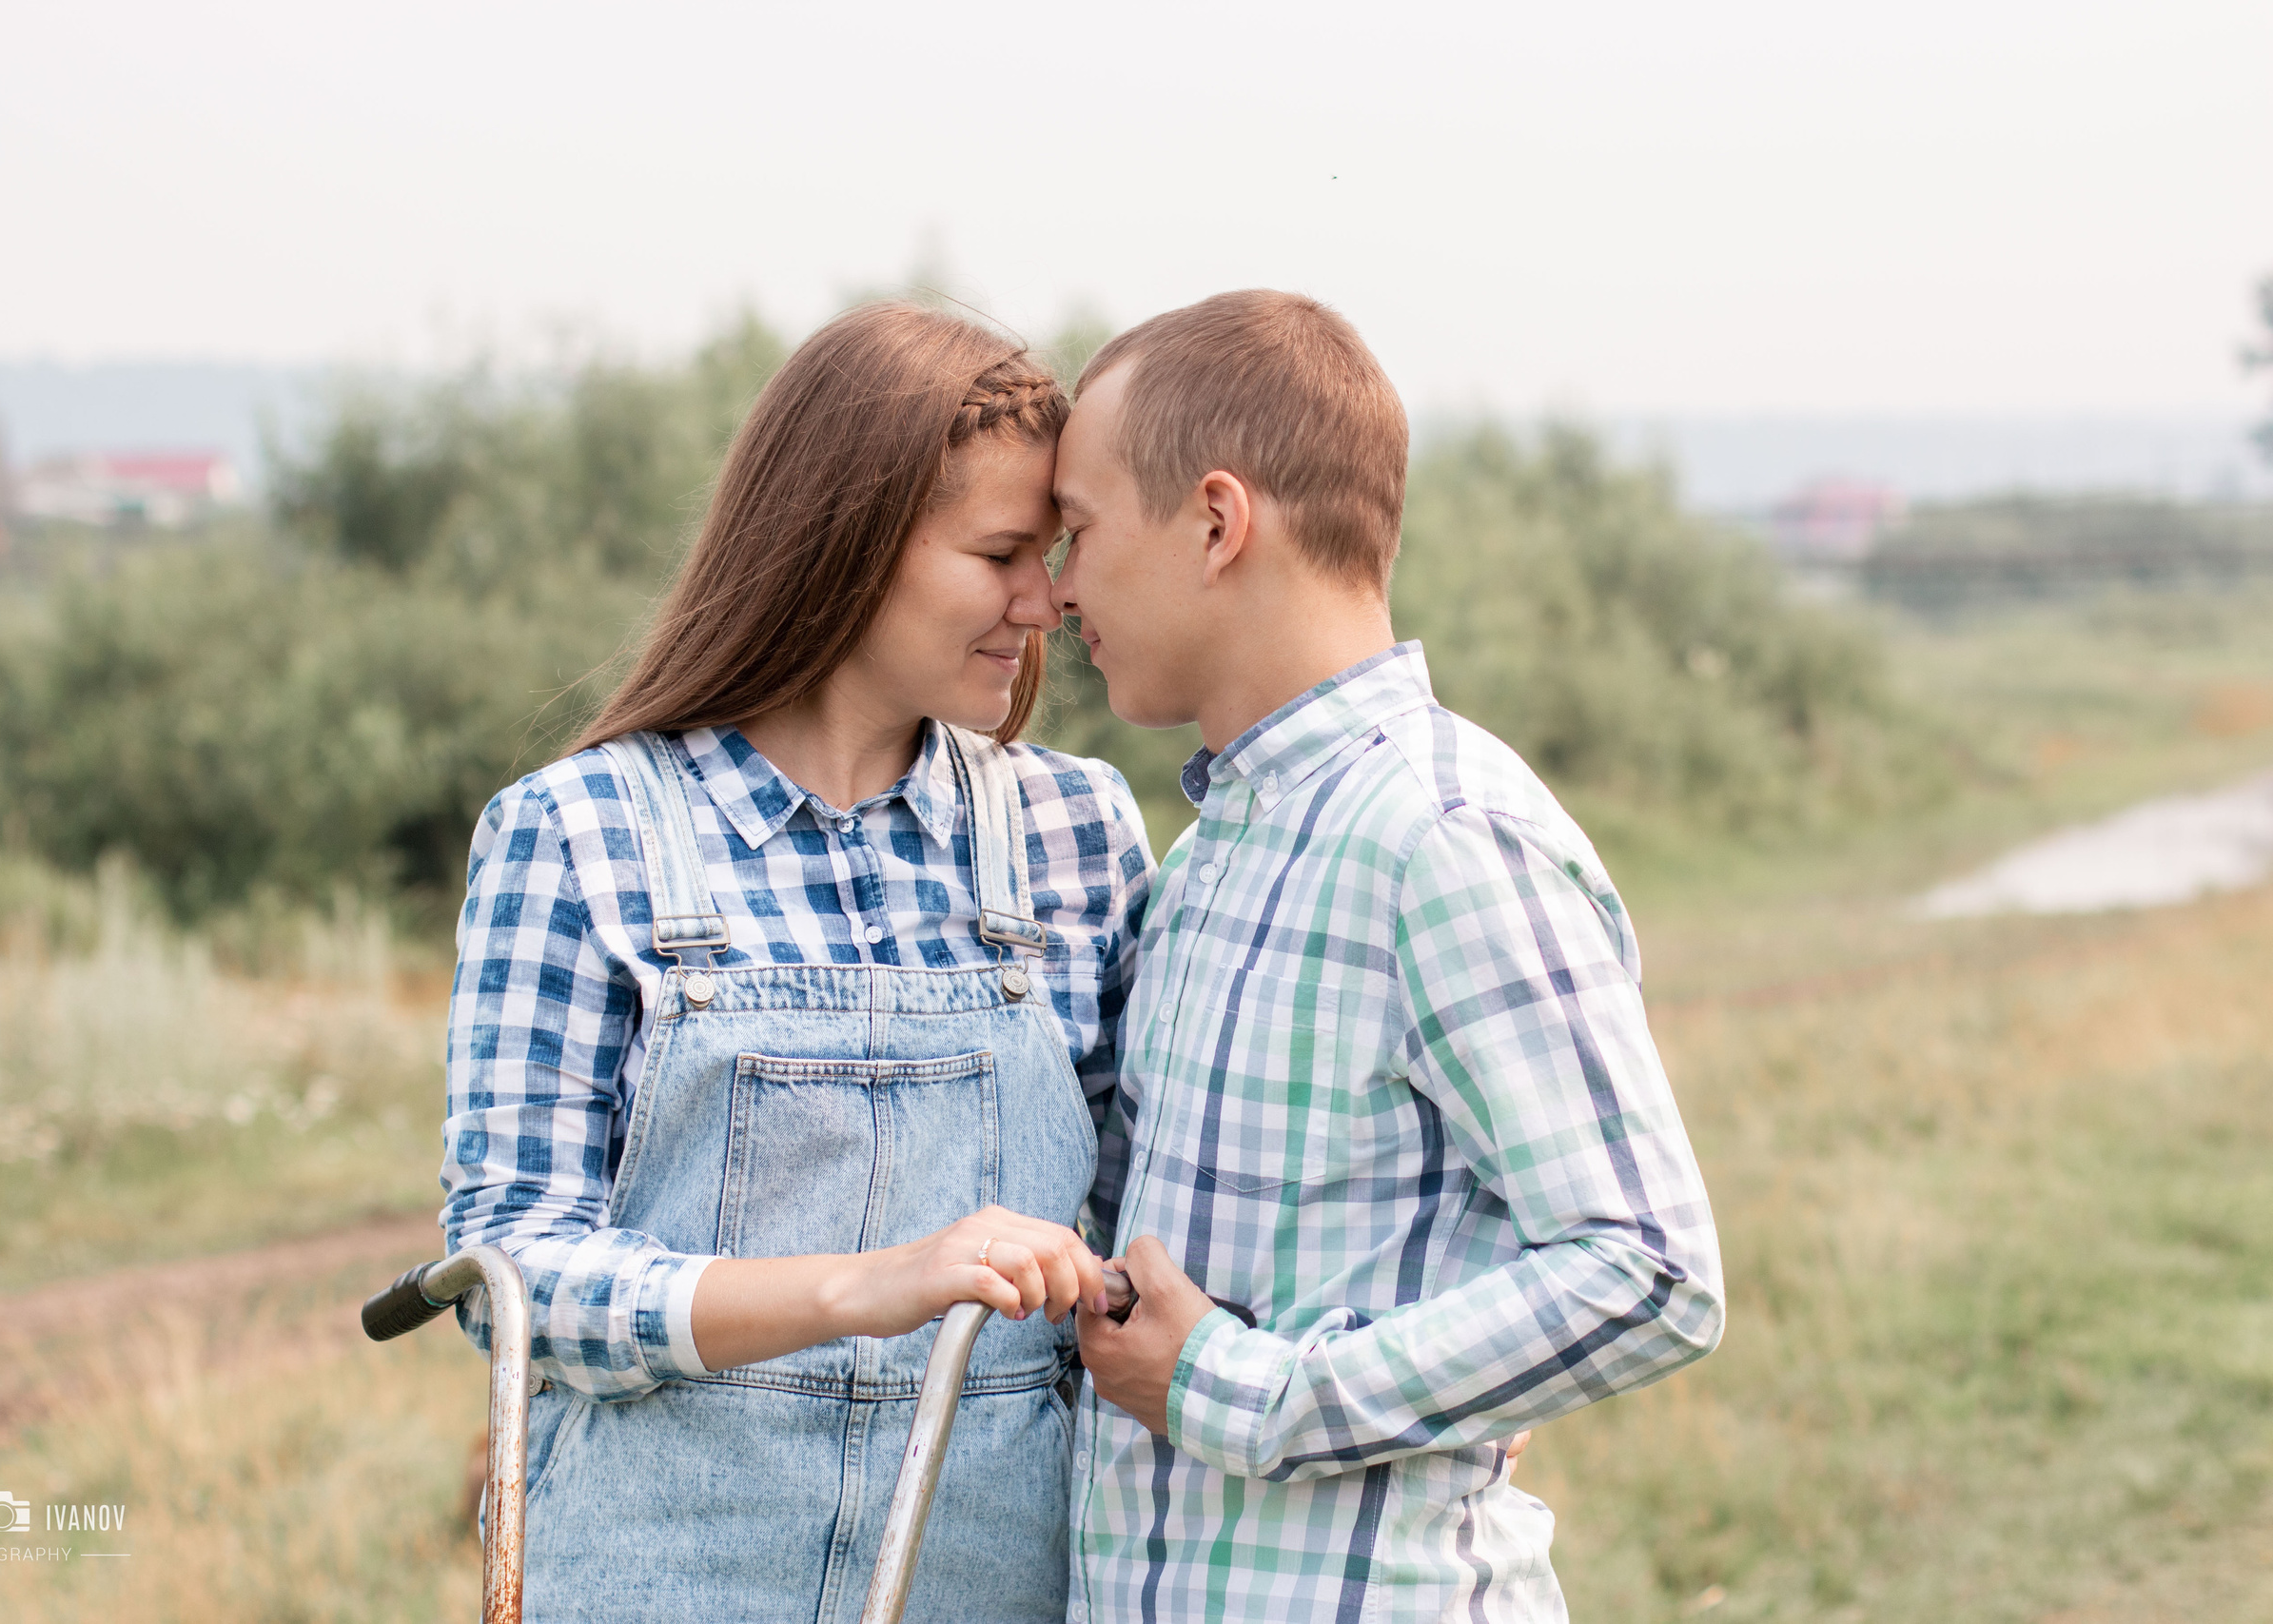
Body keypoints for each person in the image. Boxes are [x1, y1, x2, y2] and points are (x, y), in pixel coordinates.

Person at [437, 303, 1152, 1622]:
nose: (1045, 599)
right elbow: (514, 1277)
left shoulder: (1077, 831)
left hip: (999, 1584)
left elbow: (1151, 1231)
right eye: (1000, 553)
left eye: (1050, 555)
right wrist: (863, 1288)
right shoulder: (576, 833)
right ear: (850, 542)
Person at [1058, 291, 1726, 1622]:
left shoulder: (1440, 833)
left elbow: (1649, 1271)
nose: (1060, 586)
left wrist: (1246, 1394)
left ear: (1216, 522)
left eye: (1079, 530)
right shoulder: (1207, 857)